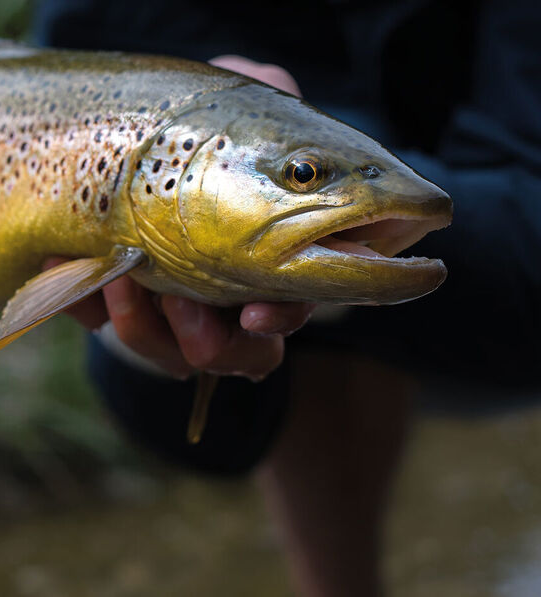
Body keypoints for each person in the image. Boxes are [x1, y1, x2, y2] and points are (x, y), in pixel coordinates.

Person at [36, 1, 541, 595]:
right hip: (197, 233)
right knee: (193, 409)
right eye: (304, 174)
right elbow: (203, 441)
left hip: (492, 270)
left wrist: (313, 266)